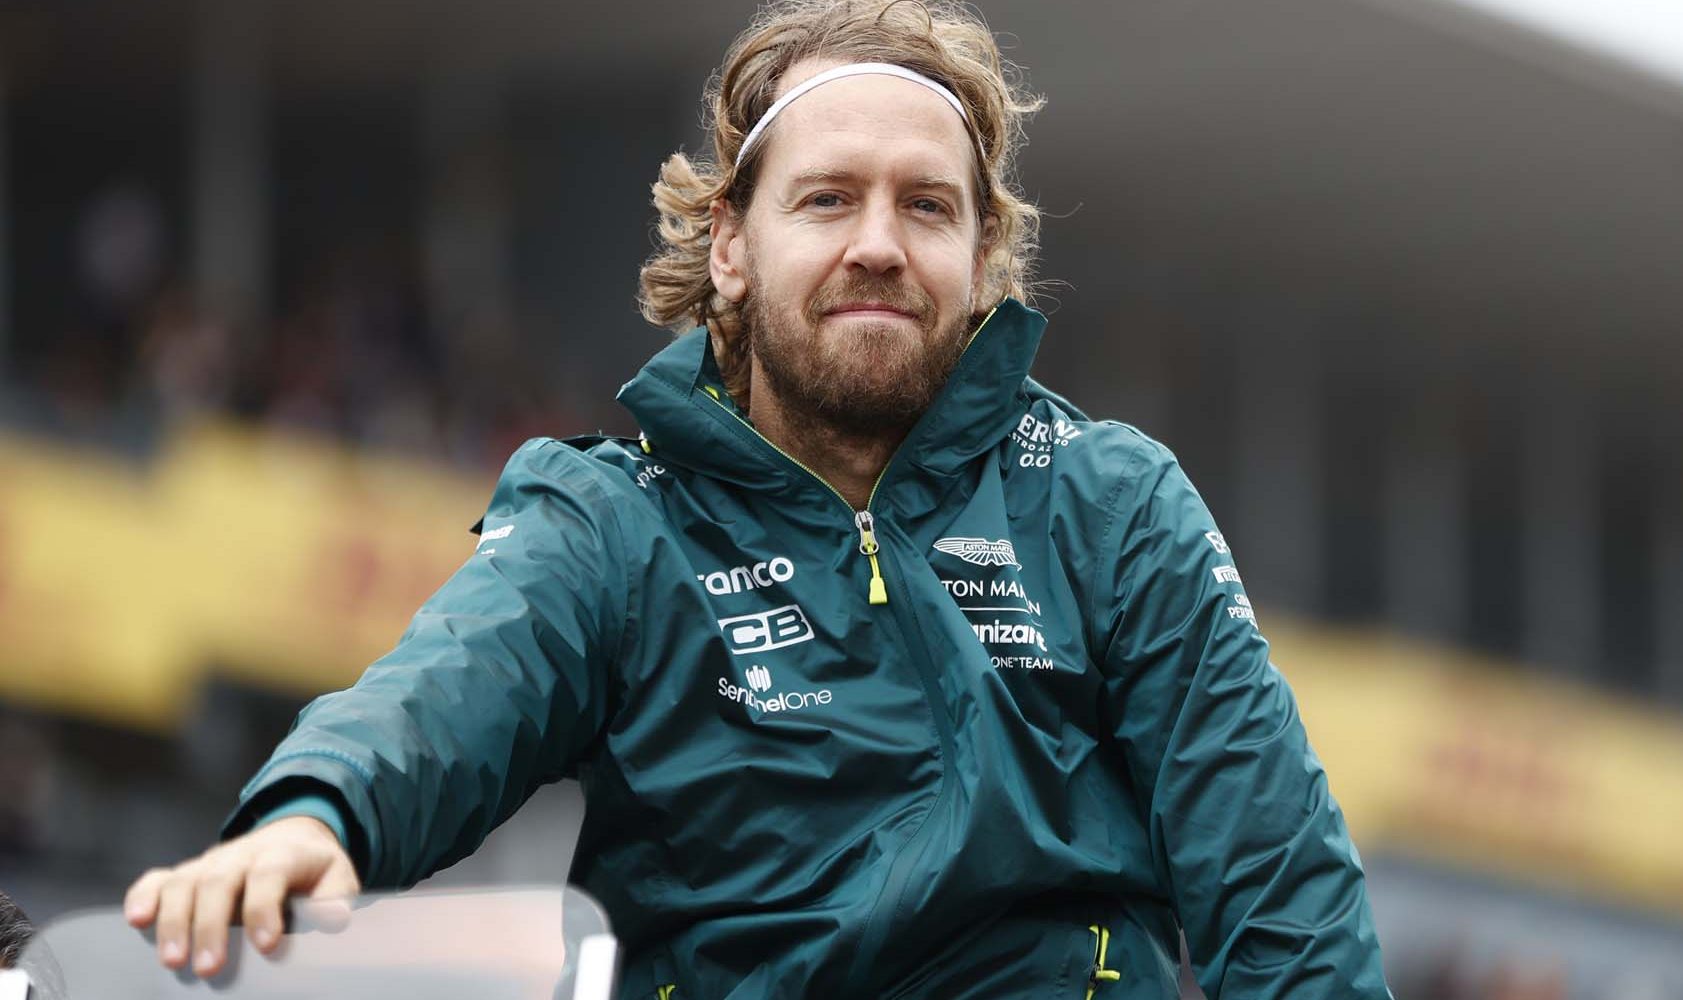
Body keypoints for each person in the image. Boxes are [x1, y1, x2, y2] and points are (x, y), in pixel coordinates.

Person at [123, 1, 1394, 996]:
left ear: (982, 256)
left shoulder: (1111, 505)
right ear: (730, 243)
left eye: (927, 206)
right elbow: (449, 690)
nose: (880, 243)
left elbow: (1280, 890)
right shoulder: (616, 524)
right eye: (828, 198)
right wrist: (317, 812)